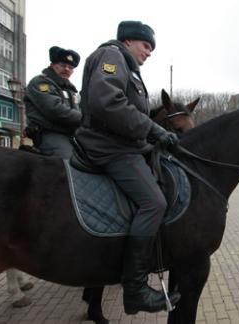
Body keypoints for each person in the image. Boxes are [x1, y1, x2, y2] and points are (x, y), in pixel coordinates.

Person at [75, 21, 180, 314]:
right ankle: (134, 291)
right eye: (146, 46)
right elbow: (108, 102)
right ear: (129, 41)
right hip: (110, 147)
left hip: (124, 144)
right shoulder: (113, 56)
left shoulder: (127, 66)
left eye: (151, 48)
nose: (149, 53)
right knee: (153, 202)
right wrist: (155, 131)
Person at [24, 46, 82, 158]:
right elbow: (55, 110)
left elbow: (77, 110)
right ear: (52, 65)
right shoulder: (41, 83)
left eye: (70, 67)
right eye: (62, 65)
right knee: (68, 161)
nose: (67, 69)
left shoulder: (70, 89)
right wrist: (86, 119)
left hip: (71, 134)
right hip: (50, 134)